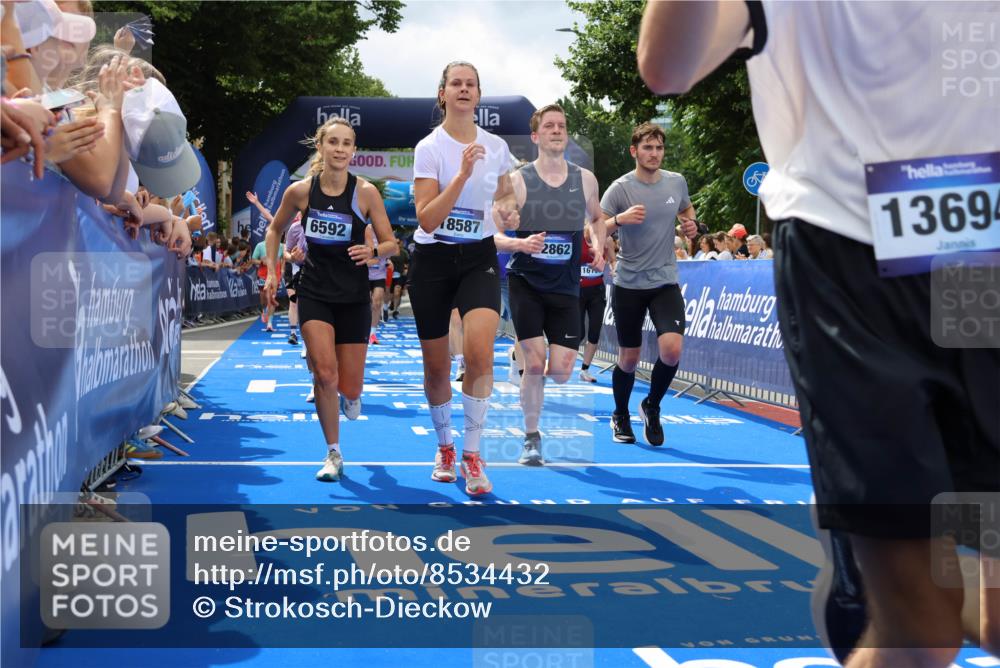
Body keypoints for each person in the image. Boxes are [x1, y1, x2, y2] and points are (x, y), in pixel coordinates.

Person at [638, 3, 999, 666]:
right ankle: (892, 566)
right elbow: (667, 70)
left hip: (980, 264)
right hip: (848, 262)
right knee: (922, 631)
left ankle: (902, 563)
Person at [263, 116, 396, 482]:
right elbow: (274, 229)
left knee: (349, 387)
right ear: (320, 147)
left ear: (354, 150)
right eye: (333, 142)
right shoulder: (301, 192)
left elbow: (390, 243)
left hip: (353, 296)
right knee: (324, 374)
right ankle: (333, 453)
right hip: (315, 291)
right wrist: (274, 271)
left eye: (346, 143)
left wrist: (373, 253)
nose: (339, 149)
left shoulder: (366, 192)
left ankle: (351, 398)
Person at [410, 61, 519, 495]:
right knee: (437, 368)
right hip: (433, 259)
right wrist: (461, 175)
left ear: (478, 95)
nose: (463, 89)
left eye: (470, 84)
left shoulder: (495, 146)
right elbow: (428, 219)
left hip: (478, 256)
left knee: (480, 356)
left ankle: (472, 455)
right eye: (455, 83)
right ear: (443, 94)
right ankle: (445, 447)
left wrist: (509, 210)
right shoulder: (429, 147)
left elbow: (507, 195)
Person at [494, 103, 607, 465]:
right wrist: (518, 240)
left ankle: (520, 357)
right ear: (536, 136)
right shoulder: (517, 180)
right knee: (536, 361)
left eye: (561, 126)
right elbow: (493, 231)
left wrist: (599, 245)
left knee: (560, 372)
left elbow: (598, 218)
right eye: (549, 126)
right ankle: (531, 437)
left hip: (565, 285)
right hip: (526, 280)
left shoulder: (585, 179)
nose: (557, 130)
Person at [598, 121, 698, 446]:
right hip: (629, 284)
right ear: (634, 151)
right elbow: (594, 229)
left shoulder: (676, 181)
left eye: (659, 148)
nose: (654, 153)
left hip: (665, 281)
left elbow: (686, 209)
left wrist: (691, 224)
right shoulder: (619, 188)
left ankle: (651, 405)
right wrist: (618, 220)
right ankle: (620, 414)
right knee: (629, 357)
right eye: (648, 148)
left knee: (671, 351)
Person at [579, 223, 614, 383]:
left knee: (594, 331)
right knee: (577, 333)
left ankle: (585, 369)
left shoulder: (606, 240)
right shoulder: (576, 237)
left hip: (597, 292)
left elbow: (613, 261)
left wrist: (614, 269)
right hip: (577, 291)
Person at [251, 234, 283, 331]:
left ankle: (269, 324)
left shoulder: (281, 246)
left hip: (275, 276)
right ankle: (264, 310)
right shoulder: (260, 245)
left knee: (272, 298)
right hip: (263, 275)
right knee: (264, 299)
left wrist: (282, 270)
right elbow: (253, 260)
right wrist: (261, 262)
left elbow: (284, 258)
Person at [365, 224, 389, 344]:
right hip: (364, 273)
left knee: (377, 301)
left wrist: (388, 259)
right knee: (366, 304)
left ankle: (372, 333)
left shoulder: (385, 230)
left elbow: (391, 248)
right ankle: (363, 330)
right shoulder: (364, 228)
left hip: (379, 273)